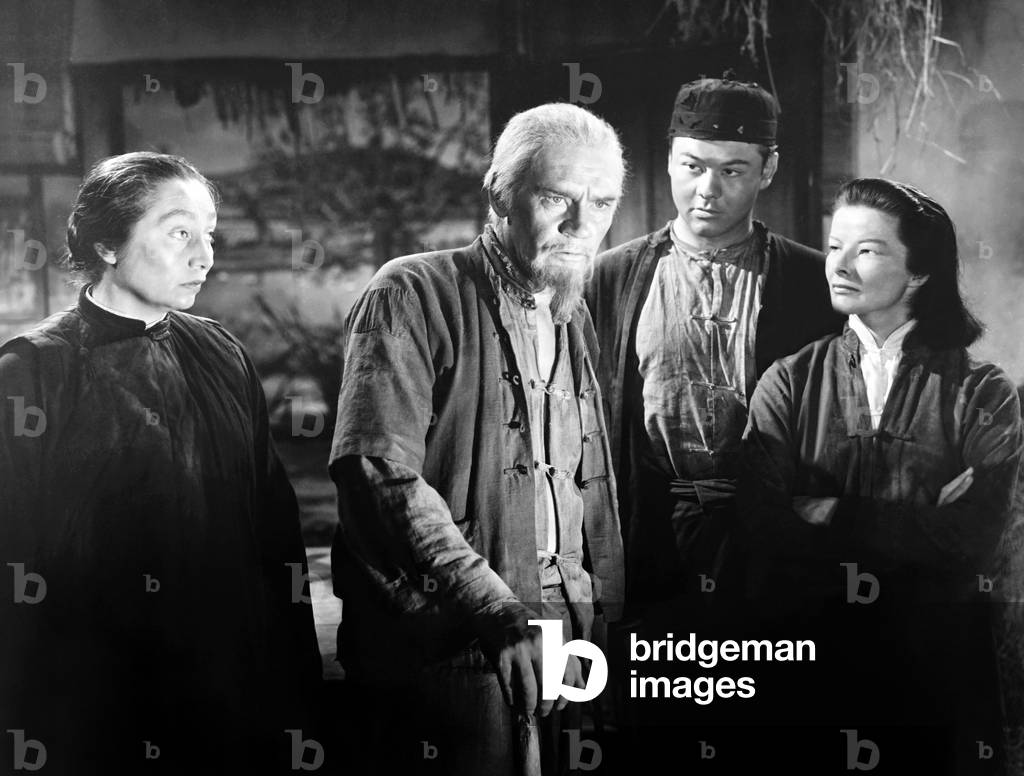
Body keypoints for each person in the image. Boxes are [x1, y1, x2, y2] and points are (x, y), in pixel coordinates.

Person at [0, 152, 321, 774]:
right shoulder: (34, 373)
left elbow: (274, 535)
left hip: (229, 696)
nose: (205, 256)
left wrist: (292, 695)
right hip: (93, 710)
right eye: (180, 233)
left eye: (209, 236)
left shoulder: (221, 352)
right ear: (107, 243)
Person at [329, 103, 625, 775]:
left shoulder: (570, 311)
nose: (583, 225)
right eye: (557, 197)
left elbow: (586, 492)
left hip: (568, 640)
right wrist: (496, 610)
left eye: (603, 203)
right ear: (500, 193)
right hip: (454, 648)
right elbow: (377, 471)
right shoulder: (411, 291)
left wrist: (604, 620)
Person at [740, 178, 1023, 770]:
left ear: (919, 273)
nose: (838, 264)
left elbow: (969, 542)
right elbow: (762, 531)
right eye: (835, 244)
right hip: (816, 660)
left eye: (867, 250)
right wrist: (918, 519)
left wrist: (832, 510)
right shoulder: (788, 382)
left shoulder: (982, 392)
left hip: (936, 670)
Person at [586, 74, 841, 614]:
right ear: (669, 160)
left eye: (732, 170)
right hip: (648, 532)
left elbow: (841, 412)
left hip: (771, 539)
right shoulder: (610, 278)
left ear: (767, 169)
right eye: (693, 166)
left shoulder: (812, 282)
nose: (708, 189)